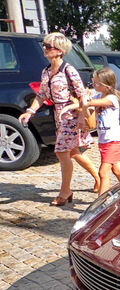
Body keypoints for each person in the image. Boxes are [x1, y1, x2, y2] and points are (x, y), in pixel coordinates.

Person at [18, 32, 99, 206]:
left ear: (60, 51)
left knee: (61, 152)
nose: (45, 49)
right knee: (74, 152)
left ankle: (65, 191)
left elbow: (83, 96)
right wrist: (30, 111)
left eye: (49, 46)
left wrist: (82, 117)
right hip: (58, 116)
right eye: (45, 46)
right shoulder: (46, 71)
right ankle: (99, 178)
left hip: (71, 115)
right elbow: (41, 95)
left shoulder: (69, 70)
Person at [79, 68, 120, 195]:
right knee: (117, 170)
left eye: (97, 84)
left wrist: (86, 100)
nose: (94, 86)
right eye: (93, 82)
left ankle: (102, 202)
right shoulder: (97, 95)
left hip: (114, 140)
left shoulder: (112, 98)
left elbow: (94, 103)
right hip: (104, 140)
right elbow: (87, 112)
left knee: (103, 172)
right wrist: (84, 106)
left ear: (108, 85)